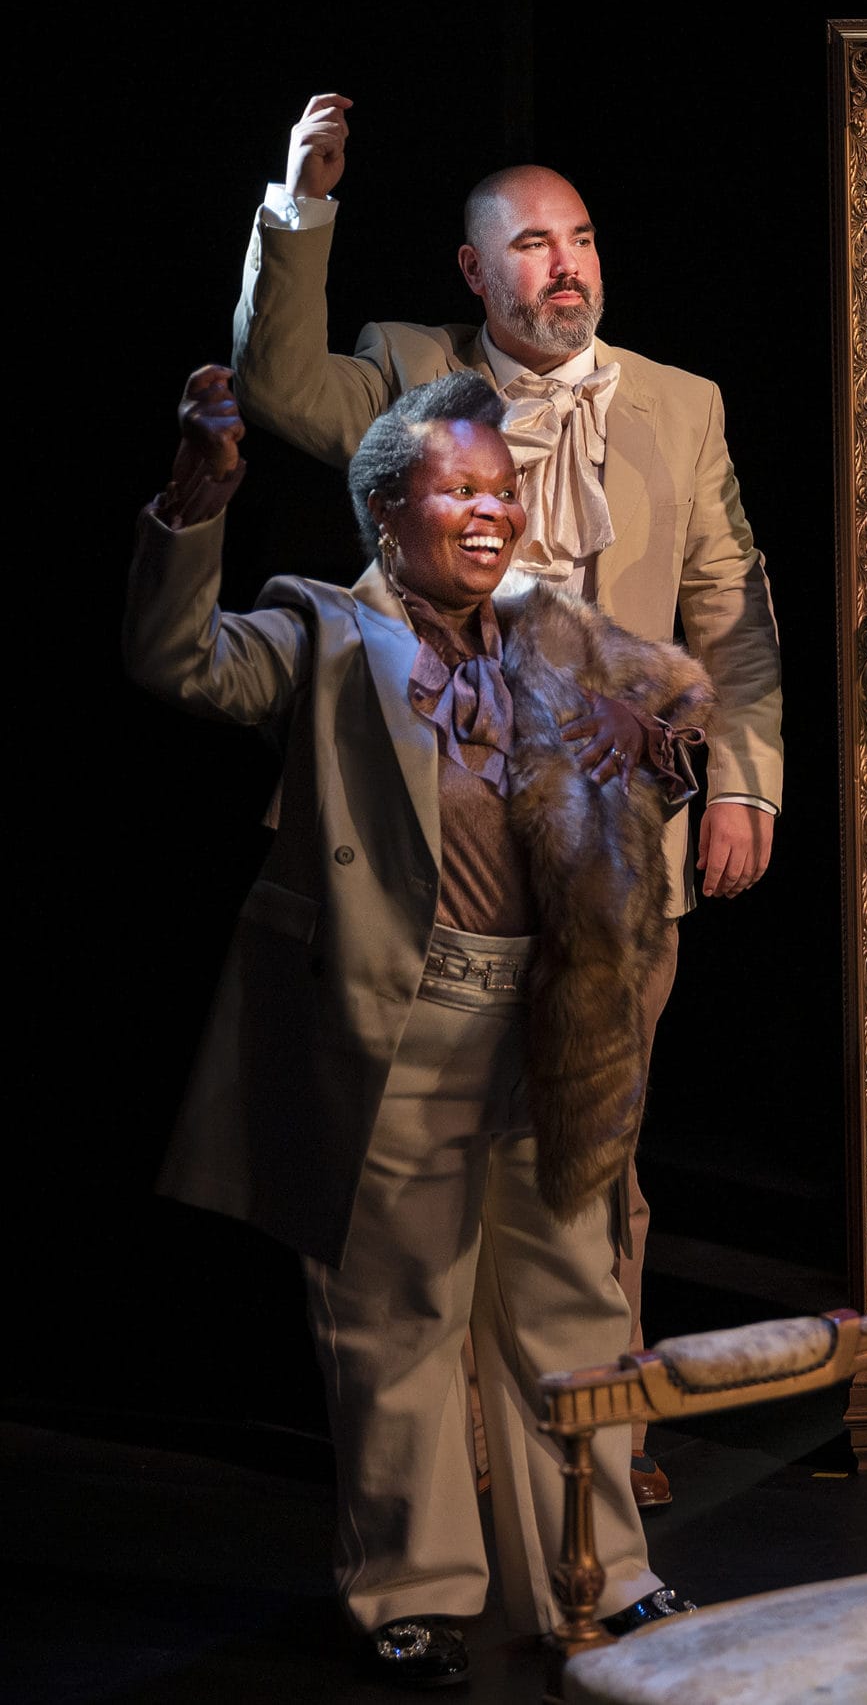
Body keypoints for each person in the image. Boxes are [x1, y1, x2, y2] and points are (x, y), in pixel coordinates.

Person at [231, 93, 786, 1503]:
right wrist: (301, 209)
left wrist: (743, 783)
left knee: (594, 1155)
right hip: (436, 844)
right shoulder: (412, 364)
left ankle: (599, 1438)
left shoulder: (681, 402)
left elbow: (731, 608)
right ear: (476, 272)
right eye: (531, 246)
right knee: (413, 1172)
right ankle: (455, 1455)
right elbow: (279, 384)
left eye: (581, 239)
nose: (566, 266)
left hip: (612, 850)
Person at [130, 367, 705, 1684]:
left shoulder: (550, 635)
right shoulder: (327, 631)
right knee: (397, 1323)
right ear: (390, 511)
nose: (493, 510)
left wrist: (665, 769)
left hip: (548, 1031)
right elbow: (176, 660)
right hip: (401, 1031)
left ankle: (605, 1573)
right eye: (461, 488)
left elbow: (652, 747)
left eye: (503, 489)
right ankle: (416, 1591)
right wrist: (191, 513)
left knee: (577, 1309)